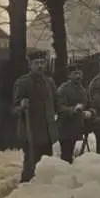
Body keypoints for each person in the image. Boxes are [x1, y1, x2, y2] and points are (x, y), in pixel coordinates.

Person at [13, 50, 58, 182]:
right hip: (30, 131)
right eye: (36, 63)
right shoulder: (23, 82)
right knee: (30, 165)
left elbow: (56, 104)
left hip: (47, 132)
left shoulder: (49, 82)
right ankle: (25, 191)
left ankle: (42, 192)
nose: (40, 66)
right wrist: (21, 106)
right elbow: (13, 109)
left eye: (42, 63)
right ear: (30, 65)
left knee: (45, 166)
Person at [56, 63, 96, 163]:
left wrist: (90, 112)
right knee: (66, 155)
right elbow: (59, 107)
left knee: (75, 155)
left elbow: (91, 105)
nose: (78, 76)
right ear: (69, 75)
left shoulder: (83, 89)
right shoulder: (63, 89)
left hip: (78, 126)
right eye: (75, 73)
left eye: (79, 73)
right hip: (65, 127)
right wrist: (73, 109)